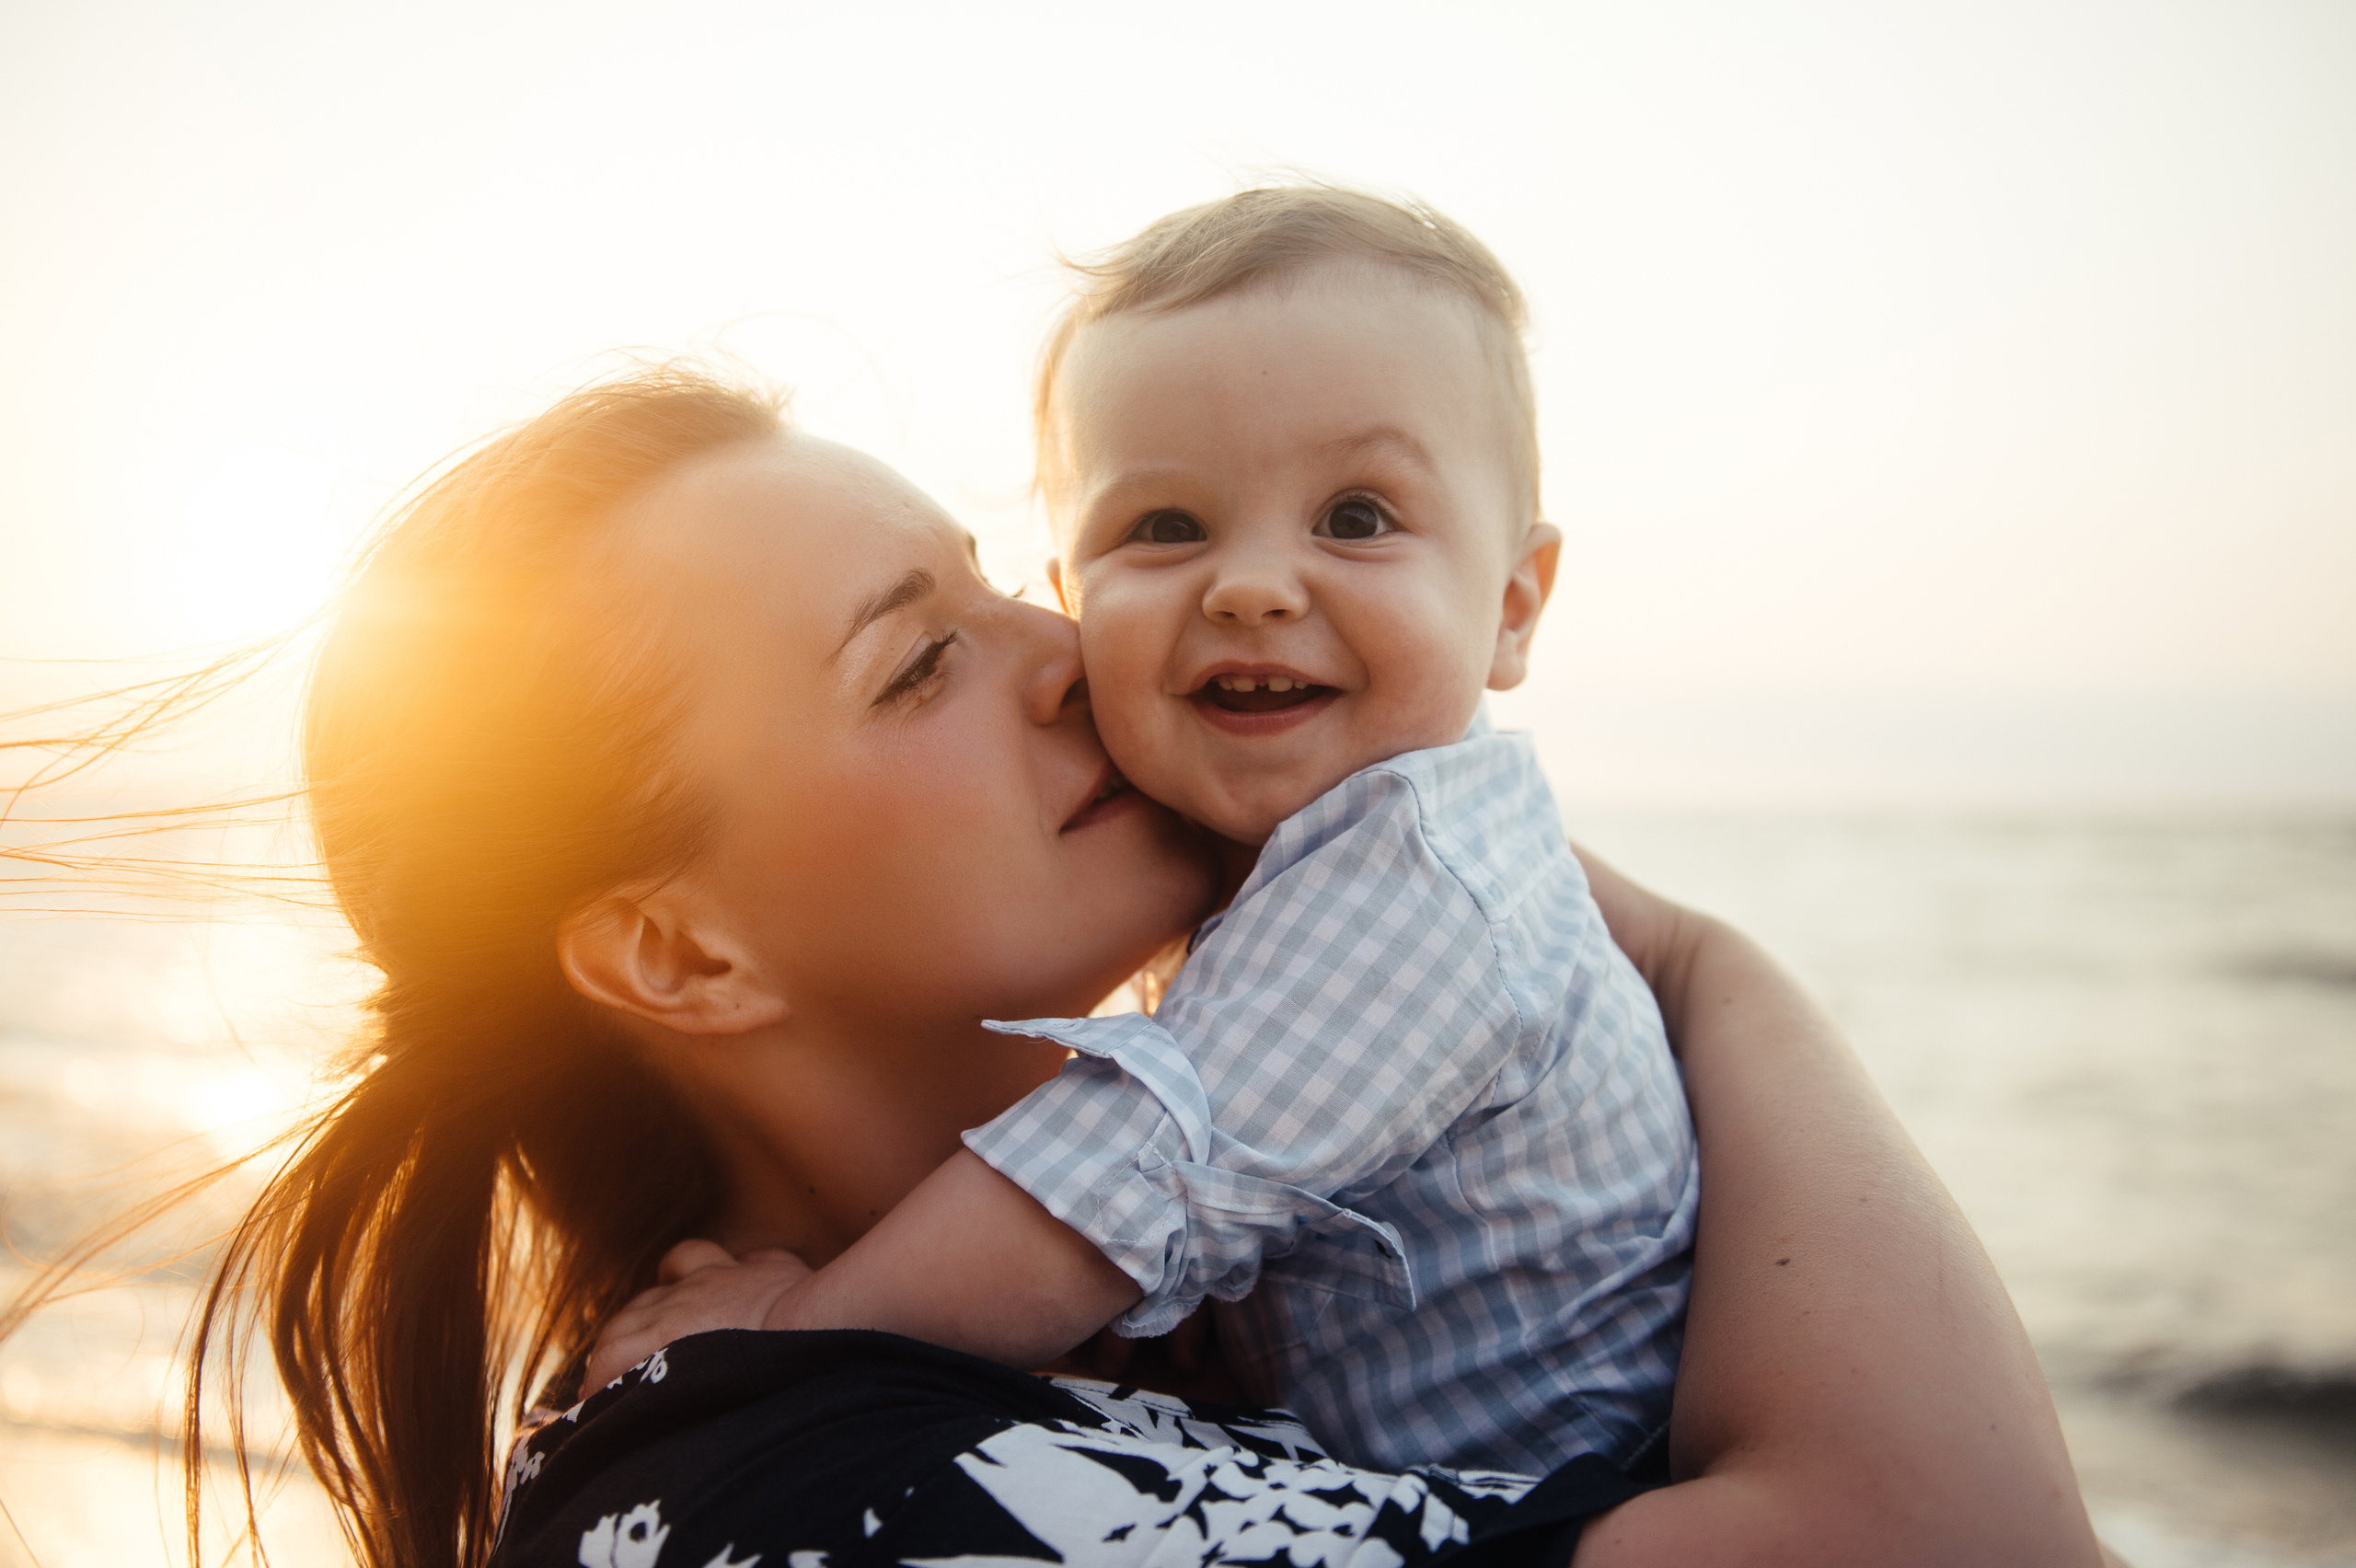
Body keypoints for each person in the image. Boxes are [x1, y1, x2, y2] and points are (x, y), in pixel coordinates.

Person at [6, 366, 2107, 1568]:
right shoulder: (829, 1498)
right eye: (918, 658)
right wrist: (1686, 957)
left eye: (1015, 584)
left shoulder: (1106, 1338)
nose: (1074, 654)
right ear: (680, 947)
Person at [580, 187, 1698, 1482]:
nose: (1253, 584)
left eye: (1357, 517)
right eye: (1165, 528)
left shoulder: (1408, 894)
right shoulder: (751, 1501)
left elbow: (1120, 1181)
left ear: (1512, 607)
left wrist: (791, 1337)